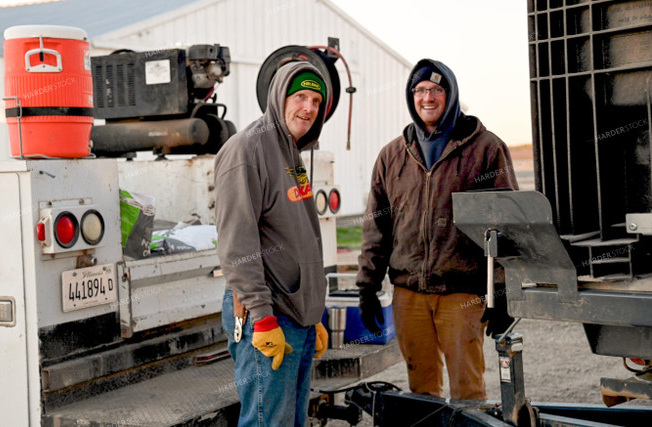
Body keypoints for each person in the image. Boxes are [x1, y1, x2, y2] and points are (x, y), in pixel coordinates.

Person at [356, 58, 518, 401]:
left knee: (468, 391)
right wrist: (367, 287)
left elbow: (507, 226)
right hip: (409, 294)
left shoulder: (486, 149)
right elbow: (377, 228)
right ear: (411, 97)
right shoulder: (392, 156)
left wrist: (503, 292)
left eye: (436, 90)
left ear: (451, 94)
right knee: (422, 393)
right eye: (420, 90)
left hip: (462, 293)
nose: (427, 97)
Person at [214, 61, 330, 426]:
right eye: (300, 97)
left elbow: (301, 234)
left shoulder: (290, 152)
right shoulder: (247, 150)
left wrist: (313, 312)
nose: (308, 108)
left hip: (297, 317)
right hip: (267, 315)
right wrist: (262, 318)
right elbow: (237, 245)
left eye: (315, 100)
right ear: (279, 97)